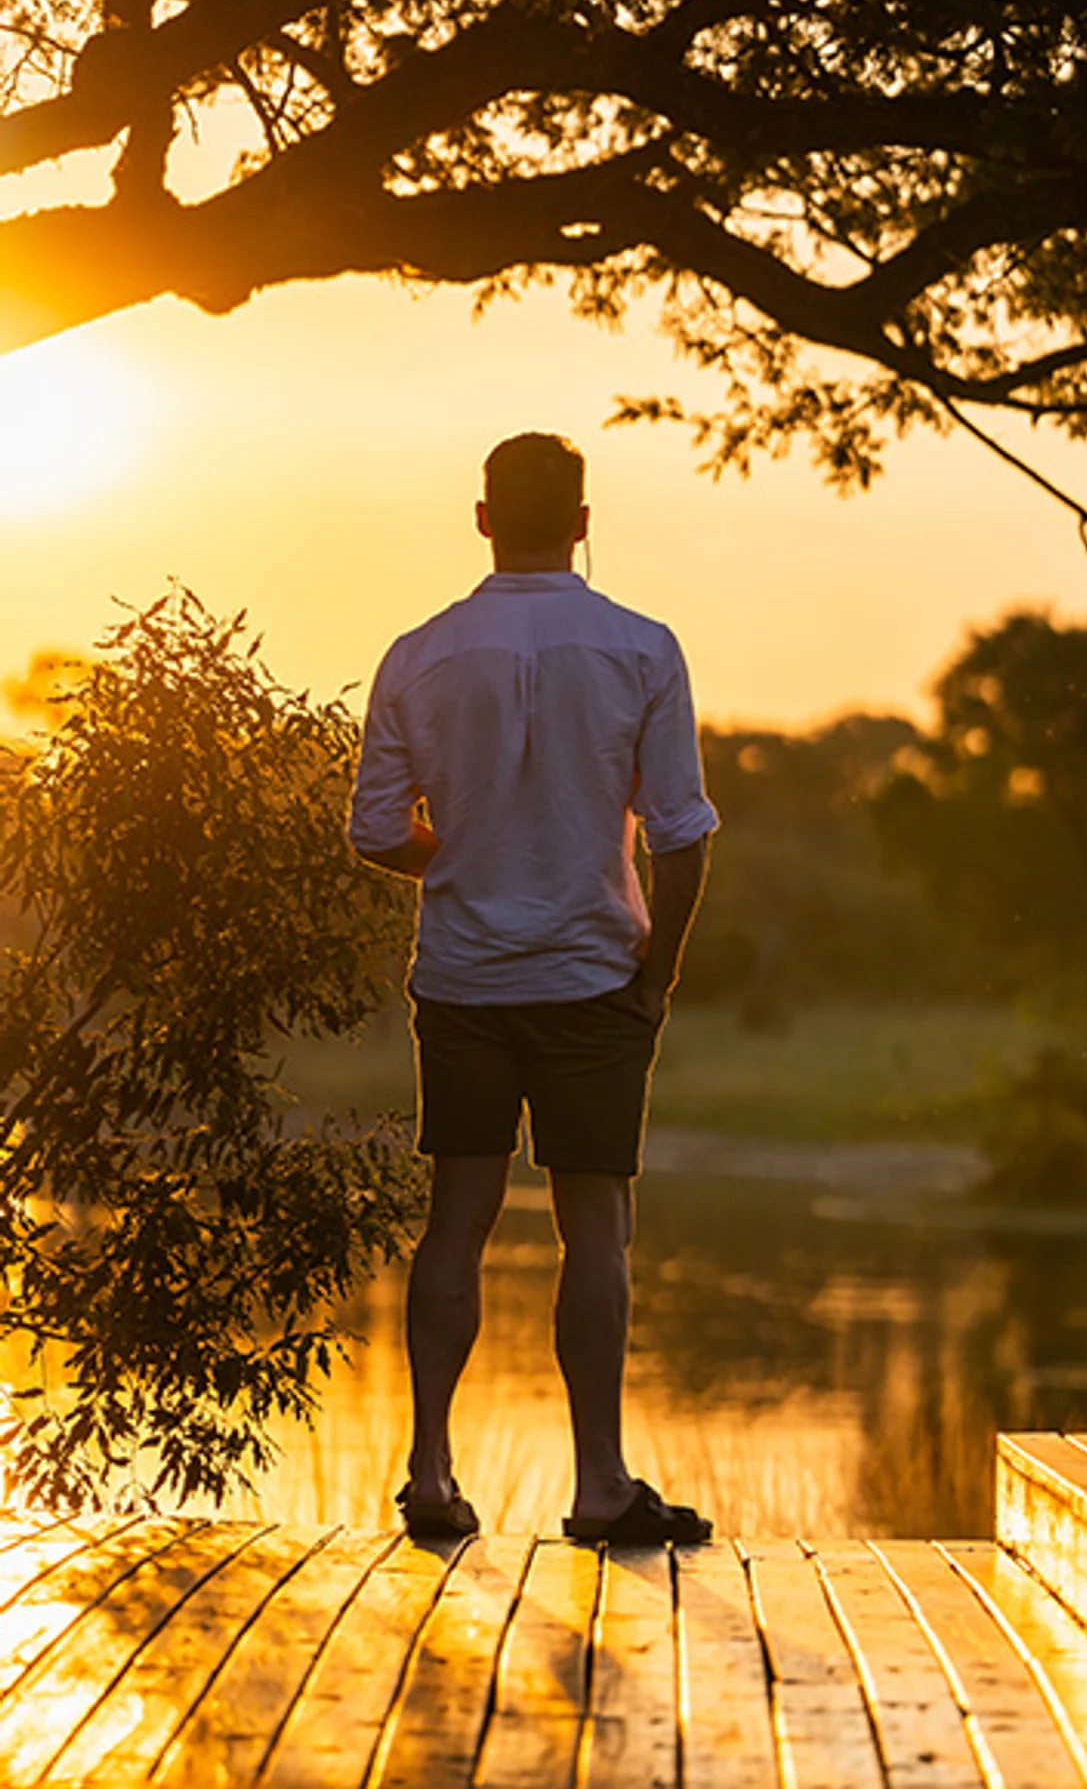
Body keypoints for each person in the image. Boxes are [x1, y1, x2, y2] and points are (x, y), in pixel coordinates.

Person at [348, 431, 717, 1546]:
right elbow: (683, 837)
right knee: (594, 1225)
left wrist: (463, 857)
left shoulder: (416, 655)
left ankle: (427, 1476)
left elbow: (371, 831)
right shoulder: (641, 648)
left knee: (453, 1218)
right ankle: (599, 1487)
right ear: (584, 519)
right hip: (593, 981)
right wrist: (656, 979)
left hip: (461, 979)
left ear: (480, 518)